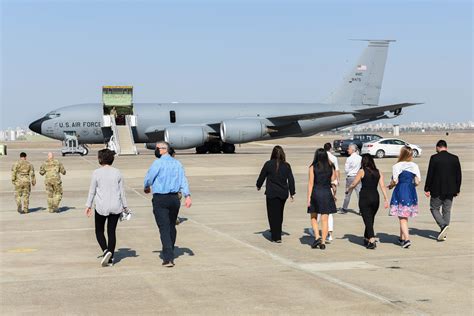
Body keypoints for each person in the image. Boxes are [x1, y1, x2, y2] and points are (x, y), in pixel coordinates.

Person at [144, 142, 192, 268]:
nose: (156, 150)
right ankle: (170, 248)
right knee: (171, 225)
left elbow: (149, 177)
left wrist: (146, 186)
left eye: (157, 148)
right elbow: (183, 180)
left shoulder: (158, 163)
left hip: (161, 198)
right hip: (174, 199)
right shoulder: (177, 163)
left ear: (163, 150)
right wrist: (187, 196)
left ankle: (168, 257)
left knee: (164, 227)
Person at [85, 149, 128, 267]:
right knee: (111, 232)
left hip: (101, 206)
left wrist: (88, 205)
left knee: (99, 231)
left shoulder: (96, 173)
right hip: (116, 206)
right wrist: (125, 206)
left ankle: (105, 251)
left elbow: (92, 191)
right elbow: (122, 192)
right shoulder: (117, 172)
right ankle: (110, 257)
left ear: (100, 159)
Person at [346, 154, 389, 249]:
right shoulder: (378, 172)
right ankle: (366, 238)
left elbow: (354, 183)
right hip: (375, 197)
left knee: (367, 219)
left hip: (365, 197)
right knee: (370, 219)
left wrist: (348, 189)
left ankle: (372, 240)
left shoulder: (362, 171)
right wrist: (386, 198)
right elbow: (382, 186)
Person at [256, 145, 296, 243]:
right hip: (282, 193)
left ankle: (275, 236)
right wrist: (292, 192)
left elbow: (262, 176)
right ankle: (277, 233)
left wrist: (258, 185)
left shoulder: (268, 164)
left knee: (272, 214)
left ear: (273, 154)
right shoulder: (286, 165)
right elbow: (291, 179)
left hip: (271, 193)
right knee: (279, 213)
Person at [424, 140, 462, 241]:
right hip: (451, 190)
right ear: (446, 147)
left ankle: (443, 226)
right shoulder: (454, 158)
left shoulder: (434, 158)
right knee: (447, 210)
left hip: (437, 189)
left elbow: (430, 174)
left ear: (438, 147)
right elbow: (459, 175)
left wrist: (427, 188)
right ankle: (443, 233)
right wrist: (457, 188)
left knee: (434, 208)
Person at [388, 146, 421, 249]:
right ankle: (402, 238)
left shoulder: (397, 166)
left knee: (402, 217)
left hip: (401, 190)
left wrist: (390, 186)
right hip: (411, 191)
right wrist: (411, 185)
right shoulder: (414, 166)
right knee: (404, 216)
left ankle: (407, 239)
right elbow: (417, 181)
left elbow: (395, 181)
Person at [307, 148, 337, 250]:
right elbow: (333, 179)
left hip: (316, 192)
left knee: (313, 217)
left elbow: (310, 183)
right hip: (327, 193)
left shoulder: (312, 167)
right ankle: (323, 242)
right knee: (325, 220)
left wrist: (308, 198)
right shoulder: (330, 167)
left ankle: (317, 236)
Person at [318, 142, 340, 241]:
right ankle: (329, 234)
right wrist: (334, 194)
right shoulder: (334, 160)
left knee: (319, 212)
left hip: (319, 190)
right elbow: (336, 175)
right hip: (329, 189)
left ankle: (318, 231)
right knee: (329, 214)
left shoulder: (317, 163)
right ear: (330, 148)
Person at [340, 143, 361, 214]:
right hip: (358, 178)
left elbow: (346, 170)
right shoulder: (360, 158)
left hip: (350, 178)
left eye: (349, 149)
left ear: (353, 150)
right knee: (359, 195)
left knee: (347, 194)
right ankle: (361, 210)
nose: (347, 150)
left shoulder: (349, 159)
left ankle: (344, 208)